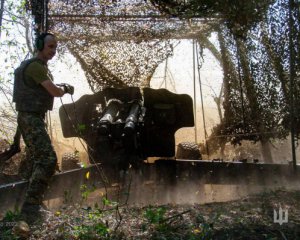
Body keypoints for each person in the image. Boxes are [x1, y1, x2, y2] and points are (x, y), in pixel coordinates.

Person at [12, 32, 74, 224]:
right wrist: (65, 89)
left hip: (31, 117)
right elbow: (55, 91)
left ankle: (21, 203)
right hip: (30, 118)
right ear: (40, 46)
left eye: (55, 47)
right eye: (50, 47)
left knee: (33, 162)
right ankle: (30, 209)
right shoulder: (36, 68)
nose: (54, 51)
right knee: (47, 159)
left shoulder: (37, 67)